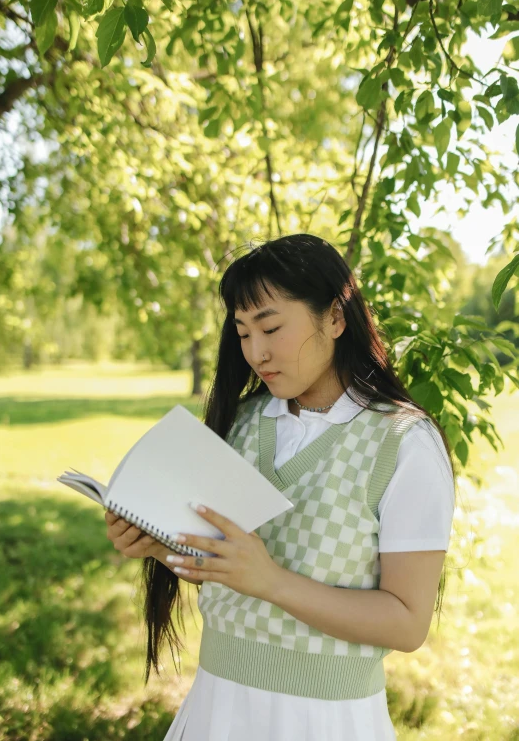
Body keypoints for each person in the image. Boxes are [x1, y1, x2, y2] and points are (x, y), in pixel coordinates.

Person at [105, 233, 456, 741]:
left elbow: (406, 623)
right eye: (243, 333)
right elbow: (230, 573)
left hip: (323, 720)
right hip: (216, 704)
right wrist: (164, 546)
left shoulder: (402, 444)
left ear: (336, 317)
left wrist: (272, 581)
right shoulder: (242, 421)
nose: (255, 352)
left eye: (270, 327)